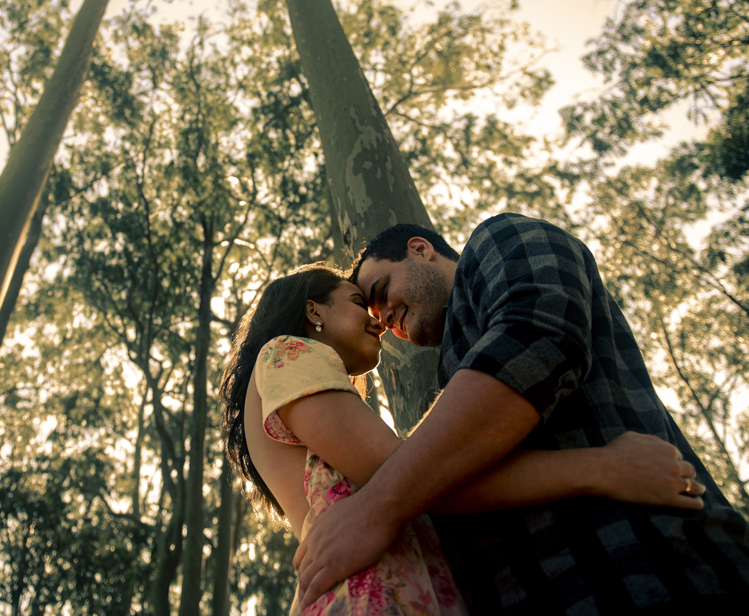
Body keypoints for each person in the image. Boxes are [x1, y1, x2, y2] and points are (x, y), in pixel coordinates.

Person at [292, 213, 749, 614]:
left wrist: (373, 509)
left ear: (420, 250)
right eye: (373, 312)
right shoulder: (449, 385)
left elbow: (536, 338)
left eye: (381, 290)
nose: (384, 318)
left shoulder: (498, 239)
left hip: (652, 566)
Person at [219, 262, 708, 616]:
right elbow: (410, 477)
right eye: (356, 301)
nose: (379, 321)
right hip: (371, 595)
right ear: (313, 310)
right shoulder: (287, 353)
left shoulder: (301, 386)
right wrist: (601, 469)